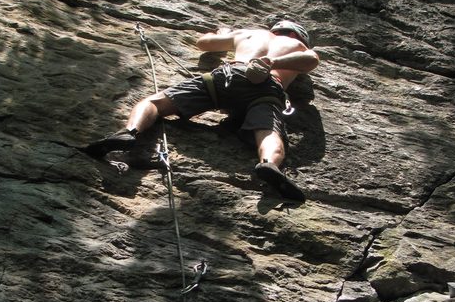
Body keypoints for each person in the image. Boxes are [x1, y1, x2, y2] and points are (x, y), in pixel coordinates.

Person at [86, 19, 319, 203]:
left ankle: (130, 132)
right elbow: (311, 60)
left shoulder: (248, 33)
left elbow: (203, 44)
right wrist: (271, 63)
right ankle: (269, 164)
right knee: (268, 131)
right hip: (267, 88)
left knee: (155, 103)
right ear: (297, 36)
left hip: (228, 76)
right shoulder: (299, 47)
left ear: (277, 29)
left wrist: (221, 32)